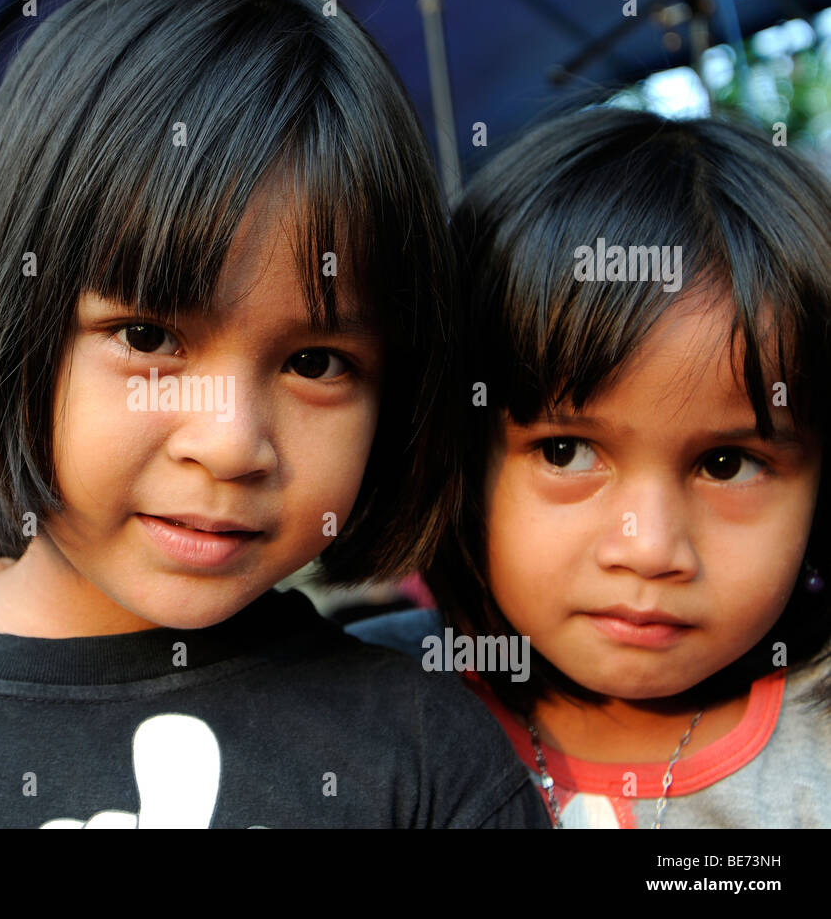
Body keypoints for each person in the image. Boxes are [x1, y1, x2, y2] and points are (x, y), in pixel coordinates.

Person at [0, 0, 546, 829]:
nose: (232, 441)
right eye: (147, 337)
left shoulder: (426, 753)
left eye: (316, 362)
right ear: (12, 326)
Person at [351, 107, 831, 827]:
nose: (648, 549)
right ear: (458, 456)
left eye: (728, 463)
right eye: (566, 451)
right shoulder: (349, 705)